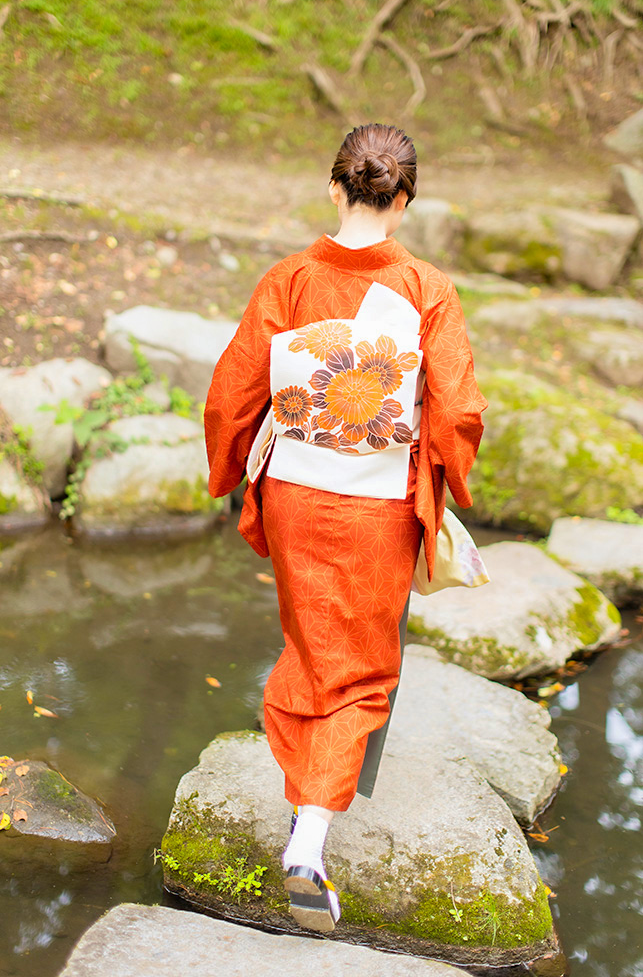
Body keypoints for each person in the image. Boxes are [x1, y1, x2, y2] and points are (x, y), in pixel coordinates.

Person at [204, 123, 486, 934]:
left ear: (337, 187)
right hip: (376, 498)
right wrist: (445, 477)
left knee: (310, 643)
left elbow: (234, 392)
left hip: (296, 488)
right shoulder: (426, 286)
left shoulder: (289, 278)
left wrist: (232, 473)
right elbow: (457, 406)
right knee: (361, 669)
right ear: (403, 200)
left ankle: (306, 800)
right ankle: (311, 835)